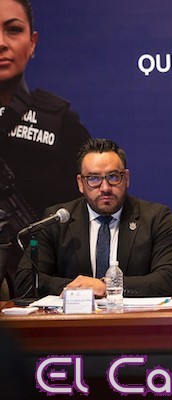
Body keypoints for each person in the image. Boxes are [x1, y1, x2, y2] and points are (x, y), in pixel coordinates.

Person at [14, 138, 172, 298]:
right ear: (80, 183)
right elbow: (26, 280)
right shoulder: (57, 221)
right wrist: (79, 289)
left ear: (126, 178)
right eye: (94, 178)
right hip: (75, 320)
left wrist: (107, 286)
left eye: (113, 177)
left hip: (134, 319)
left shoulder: (156, 218)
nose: (105, 188)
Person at [0, 0, 90, 298]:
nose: (1, 43)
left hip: (45, 281)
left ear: (32, 42)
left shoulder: (59, 120)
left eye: (13, 30)